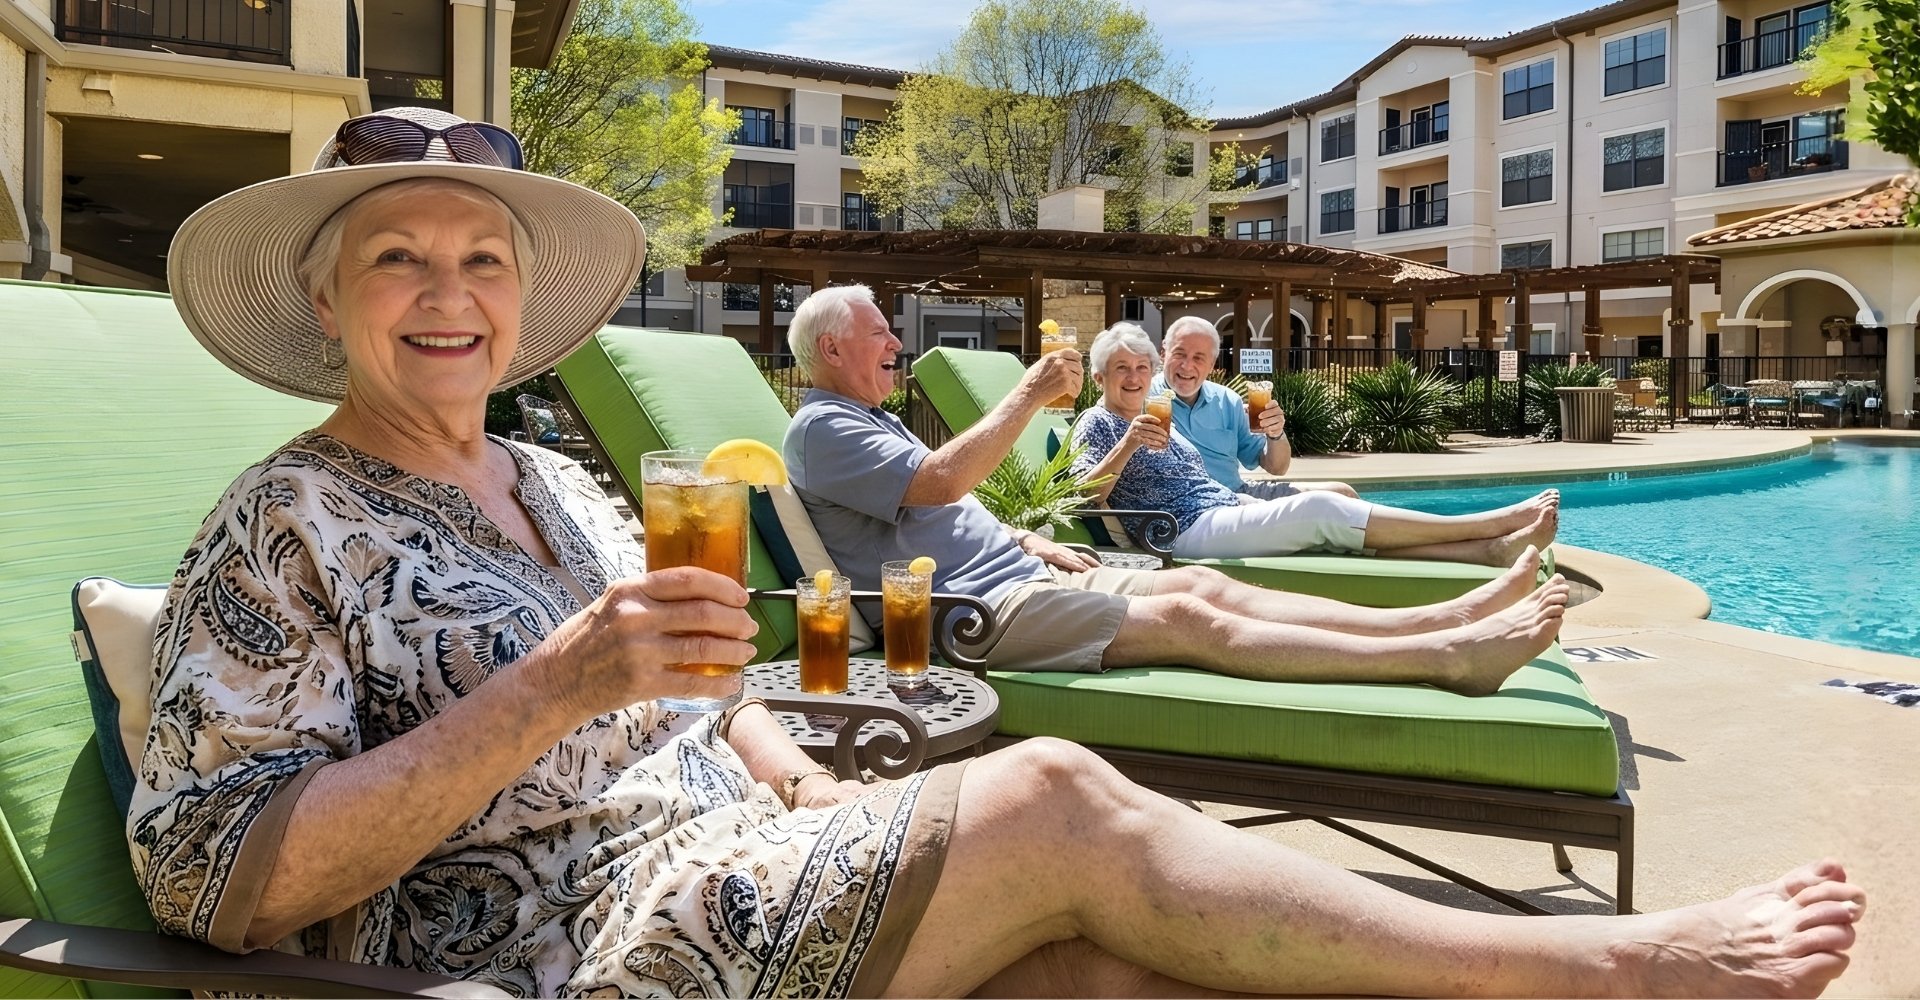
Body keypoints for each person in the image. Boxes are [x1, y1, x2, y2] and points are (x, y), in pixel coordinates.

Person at [131, 108, 1866, 1000]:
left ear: (520, 298)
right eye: (397, 264)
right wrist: (548, 692)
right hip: (562, 949)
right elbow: (216, 880)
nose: (451, 297)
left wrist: (789, 768)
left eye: (481, 262)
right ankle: (1610, 970)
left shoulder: (566, 485)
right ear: (322, 300)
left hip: (746, 862)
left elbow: (707, 686)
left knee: (1102, 967)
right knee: (1053, 799)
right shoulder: (285, 524)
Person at [785, 285, 1565, 692]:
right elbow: (940, 482)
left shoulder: (871, 422)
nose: (896, 341)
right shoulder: (823, 429)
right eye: (880, 331)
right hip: (973, 613)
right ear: (831, 347)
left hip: (1021, 575)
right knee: (1192, 614)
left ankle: (1438, 618)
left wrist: (1026, 538)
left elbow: (949, 499)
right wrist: (1025, 395)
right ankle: (1442, 657)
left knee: (1200, 583)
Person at [1075, 323, 1560, 565]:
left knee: (1329, 522)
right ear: (1100, 375)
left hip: (1223, 505)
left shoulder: (1179, 410)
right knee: (1322, 511)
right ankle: (1485, 523)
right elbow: (1083, 497)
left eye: (1141, 369)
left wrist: (1274, 433)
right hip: (1181, 531)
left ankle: (1486, 551)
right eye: (1122, 369)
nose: (1136, 378)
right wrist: (1128, 446)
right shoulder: (1097, 425)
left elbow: (1267, 466)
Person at [1152, 315, 1357, 499]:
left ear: (1212, 364)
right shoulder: (1144, 399)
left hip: (1236, 492)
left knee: (1342, 494)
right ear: (1163, 353)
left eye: (1198, 358)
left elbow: (1276, 467)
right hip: (1187, 503)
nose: (1187, 366)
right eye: (1179, 354)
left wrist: (1275, 432)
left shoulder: (1228, 401)